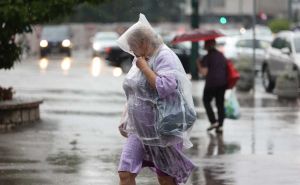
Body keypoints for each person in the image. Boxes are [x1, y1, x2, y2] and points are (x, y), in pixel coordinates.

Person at [117, 14, 196, 185]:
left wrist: (145, 68)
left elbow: (166, 87)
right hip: (138, 130)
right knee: (125, 172)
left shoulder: (164, 56)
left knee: (166, 177)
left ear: (144, 42)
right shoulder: (140, 58)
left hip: (161, 131)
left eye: (133, 46)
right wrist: (125, 117)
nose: (131, 50)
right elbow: (133, 90)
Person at [198, 39, 227, 134]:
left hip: (211, 83)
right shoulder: (221, 55)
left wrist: (198, 64)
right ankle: (220, 126)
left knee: (206, 100)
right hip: (222, 82)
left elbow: (204, 72)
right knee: (220, 104)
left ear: (206, 46)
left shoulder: (207, 57)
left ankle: (213, 121)